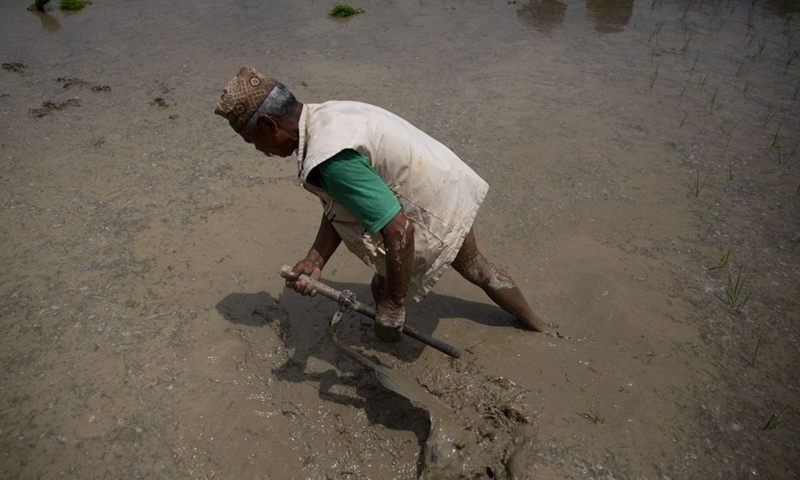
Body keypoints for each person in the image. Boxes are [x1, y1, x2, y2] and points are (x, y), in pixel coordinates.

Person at [215, 65, 545, 342]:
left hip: (427, 204)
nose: (262, 151)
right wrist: (315, 259)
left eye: (254, 141)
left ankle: (390, 354)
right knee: (477, 269)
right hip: (440, 179)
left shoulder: (329, 159)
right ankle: (540, 328)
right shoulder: (323, 115)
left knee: (403, 291)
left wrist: (394, 305)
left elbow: (399, 229)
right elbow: (341, 203)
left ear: (268, 125)